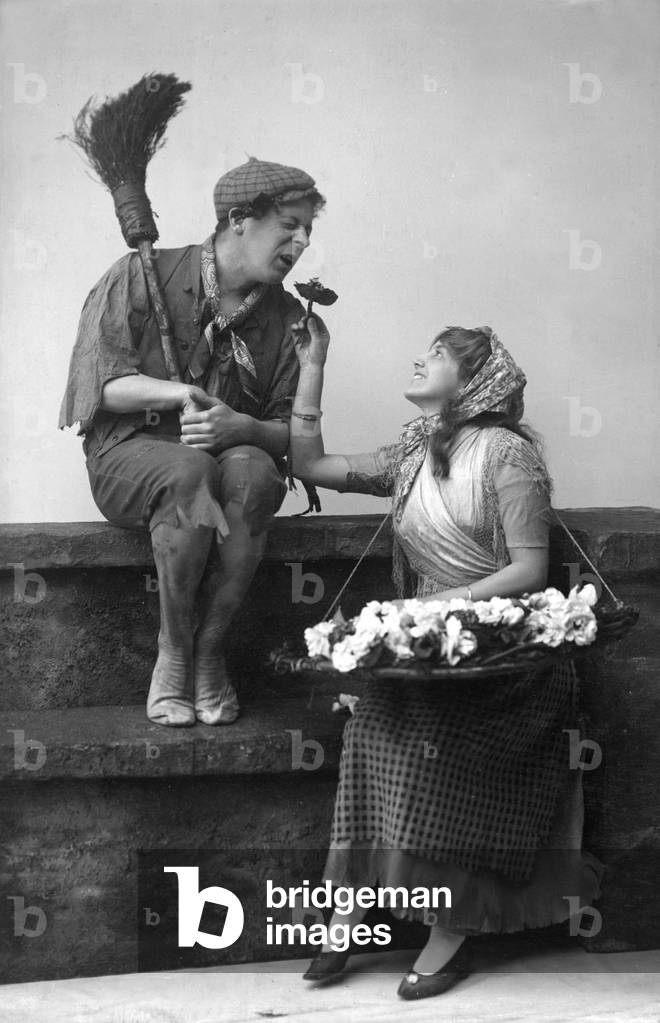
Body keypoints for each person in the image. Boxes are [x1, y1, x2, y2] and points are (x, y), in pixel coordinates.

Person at [288, 317, 603, 1000]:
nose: (417, 359)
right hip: (427, 651)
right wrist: (315, 363)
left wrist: (437, 607)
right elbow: (308, 465)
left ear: (472, 379)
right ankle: (345, 914)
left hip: (506, 659)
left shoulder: (507, 457)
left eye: (434, 355)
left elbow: (528, 568)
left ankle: (452, 931)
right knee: (369, 735)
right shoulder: (411, 452)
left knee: (445, 751)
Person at [59, 157, 325, 727]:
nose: (302, 241)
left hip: (227, 465)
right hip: (130, 457)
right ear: (237, 220)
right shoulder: (141, 274)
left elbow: (289, 437)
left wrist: (242, 428)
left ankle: (210, 653)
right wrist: (179, 392)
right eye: (289, 225)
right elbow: (100, 387)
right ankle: (174, 653)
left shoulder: (285, 317)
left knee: (255, 472)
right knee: (188, 472)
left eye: (308, 229)